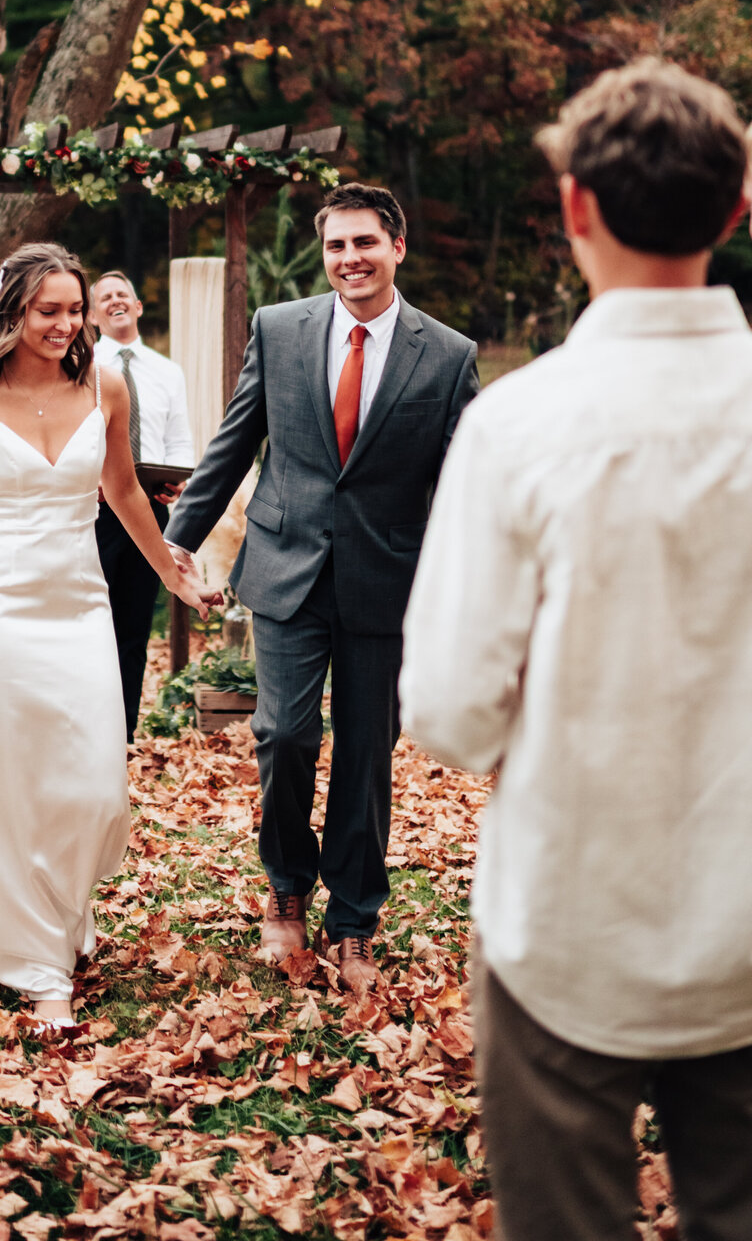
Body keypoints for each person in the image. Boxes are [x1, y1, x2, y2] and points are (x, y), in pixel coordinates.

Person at [401, 58, 752, 1241]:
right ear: (739, 211)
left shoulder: (518, 425)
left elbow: (449, 710)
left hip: (566, 924)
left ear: (575, 208)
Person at [166, 183, 478, 995]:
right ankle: (285, 889)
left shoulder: (447, 355)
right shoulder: (279, 329)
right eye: (337, 245)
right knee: (285, 734)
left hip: (387, 583)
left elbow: (460, 490)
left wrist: (463, 591)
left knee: (367, 755)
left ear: (396, 248)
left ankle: (354, 923)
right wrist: (176, 541)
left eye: (365, 243)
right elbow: (234, 445)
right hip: (286, 569)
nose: (350, 260)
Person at [0, 243, 216, 1031]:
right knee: (15, 788)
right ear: (14, 307)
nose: (65, 324)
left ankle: (61, 908)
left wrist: (174, 571)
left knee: (95, 792)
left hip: (81, 606)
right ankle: (38, 963)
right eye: (49, 310)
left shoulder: (104, 385)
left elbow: (122, 491)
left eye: (73, 310)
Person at [91, 270, 195, 742]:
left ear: (137, 307)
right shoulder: (80, 366)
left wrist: (175, 480)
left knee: (133, 627)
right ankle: (85, 729)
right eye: (104, 297)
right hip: (87, 511)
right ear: (92, 315)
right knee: (90, 622)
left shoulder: (166, 371)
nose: (115, 301)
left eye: (122, 295)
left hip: (147, 509)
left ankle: (123, 733)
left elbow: (179, 442)